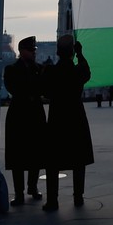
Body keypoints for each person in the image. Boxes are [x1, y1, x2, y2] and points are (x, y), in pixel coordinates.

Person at [42, 35, 94, 210]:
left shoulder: (51, 71)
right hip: (76, 117)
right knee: (78, 158)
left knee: (53, 161)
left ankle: (52, 200)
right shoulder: (78, 71)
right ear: (72, 52)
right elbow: (87, 71)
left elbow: (46, 92)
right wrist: (80, 54)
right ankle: (78, 196)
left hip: (57, 117)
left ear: (57, 52)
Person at [4, 36, 47, 206]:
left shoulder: (39, 69)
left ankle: (33, 187)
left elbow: (42, 88)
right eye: (31, 50)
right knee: (18, 156)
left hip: (34, 113)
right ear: (22, 51)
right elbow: (15, 88)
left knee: (35, 152)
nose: (34, 52)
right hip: (19, 115)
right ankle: (19, 192)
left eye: (34, 50)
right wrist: (33, 87)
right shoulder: (11, 69)